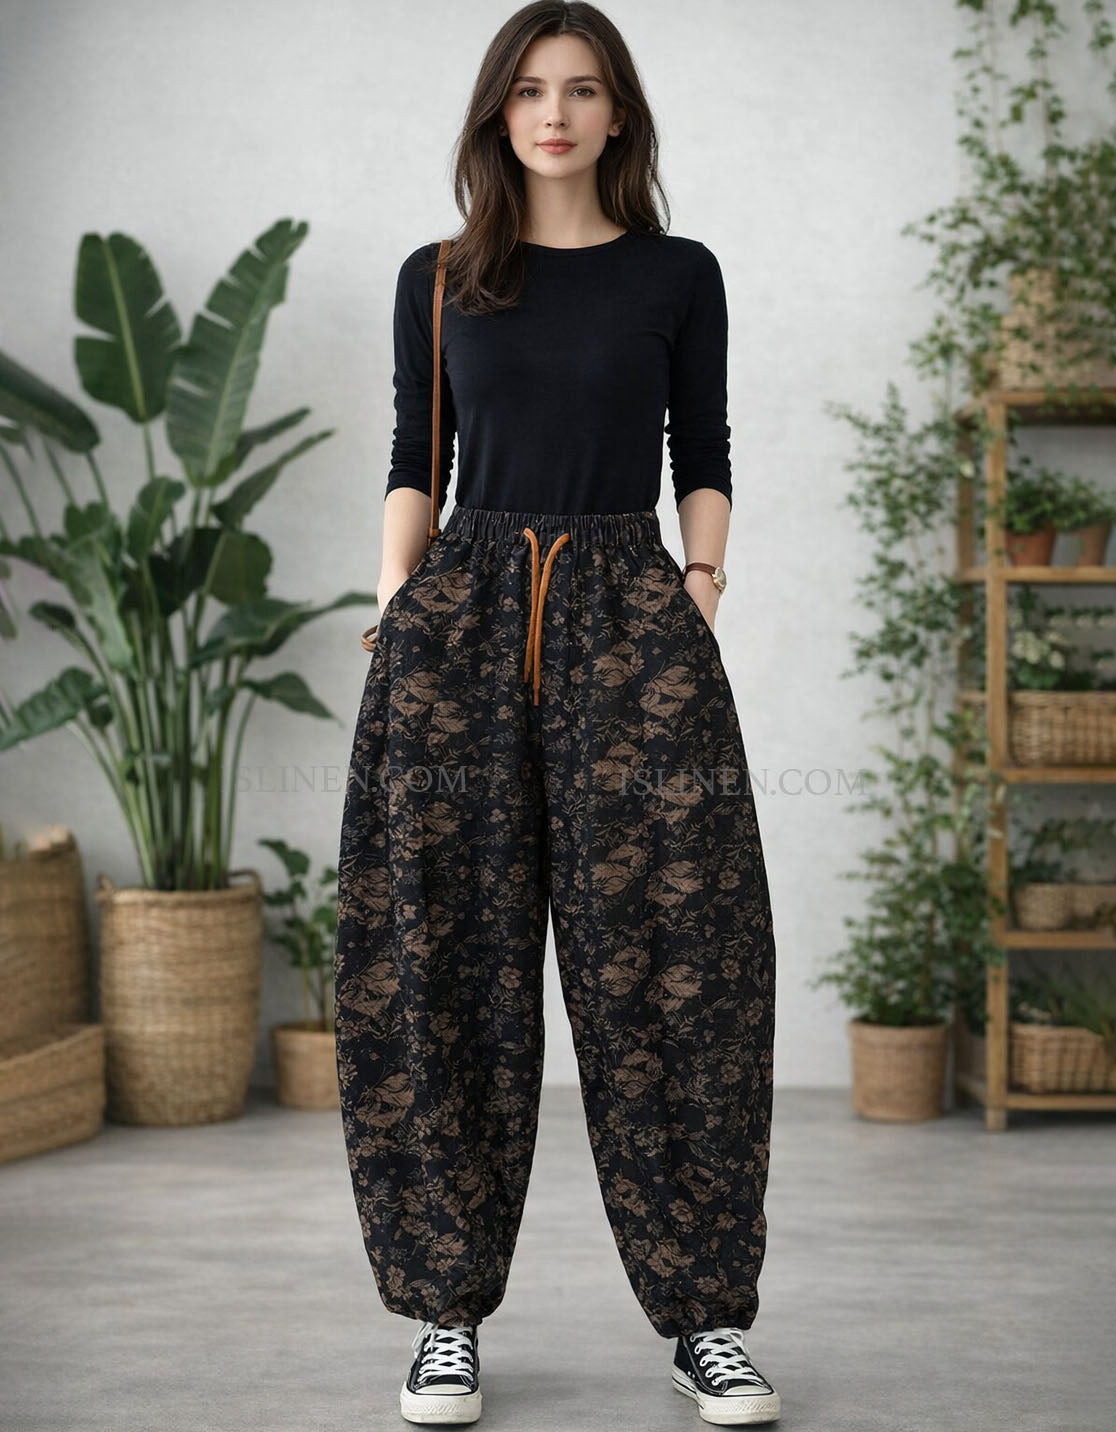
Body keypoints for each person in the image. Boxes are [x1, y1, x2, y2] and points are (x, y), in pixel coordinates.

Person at [334, 3, 779, 1425]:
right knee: (441, 967)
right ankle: (444, 1314)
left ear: (619, 116)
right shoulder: (444, 277)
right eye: (530, 90)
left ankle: (705, 1317)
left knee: (680, 966)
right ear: (496, 113)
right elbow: (419, 453)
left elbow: (701, 446)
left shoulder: (678, 273)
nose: (556, 113)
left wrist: (697, 587)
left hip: (630, 613)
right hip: (459, 619)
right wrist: (393, 600)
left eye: (584, 90)